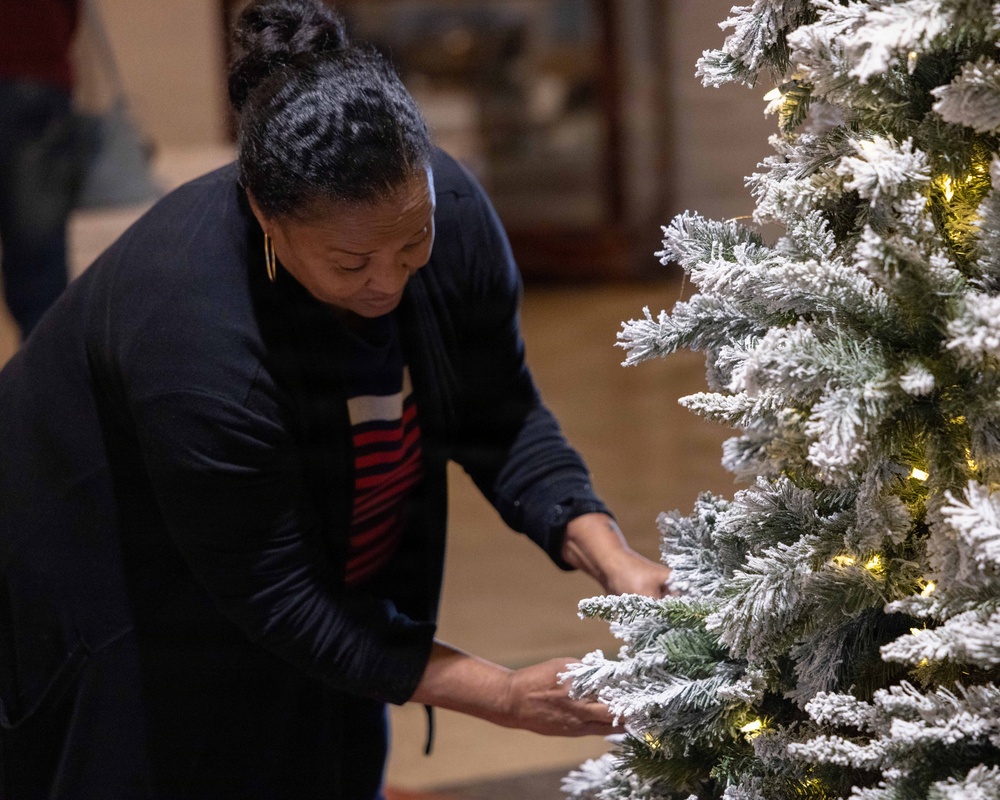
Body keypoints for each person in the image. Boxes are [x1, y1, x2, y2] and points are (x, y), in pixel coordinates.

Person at [0, 1, 671, 797]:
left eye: (411, 242)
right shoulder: (194, 330)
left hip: (310, 564)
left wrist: (610, 555)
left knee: (329, 751)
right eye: (351, 264)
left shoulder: (450, 213)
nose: (389, 281)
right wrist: (502, 693)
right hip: (108, 581)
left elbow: (500, 414)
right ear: (266, 216)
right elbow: (279, 596)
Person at [0, 0, 83, 337]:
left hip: (37, 72)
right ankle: (47, 364)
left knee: (40, 262)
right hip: (38, 69)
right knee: (40, 267)